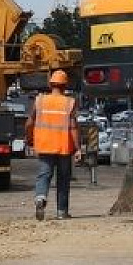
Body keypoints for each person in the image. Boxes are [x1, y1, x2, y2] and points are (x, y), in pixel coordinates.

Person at [26, 69, 81, 220]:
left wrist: (29, 139)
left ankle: (40, 197)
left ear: (50, 85)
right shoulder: (69, 102)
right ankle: (62, 212)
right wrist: (78, 148)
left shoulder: (40, 100)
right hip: (64, 147)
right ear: (65, 86)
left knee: (44, 175)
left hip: (44, 146)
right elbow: (73, 128)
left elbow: (30, 122)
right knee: (63, 179)